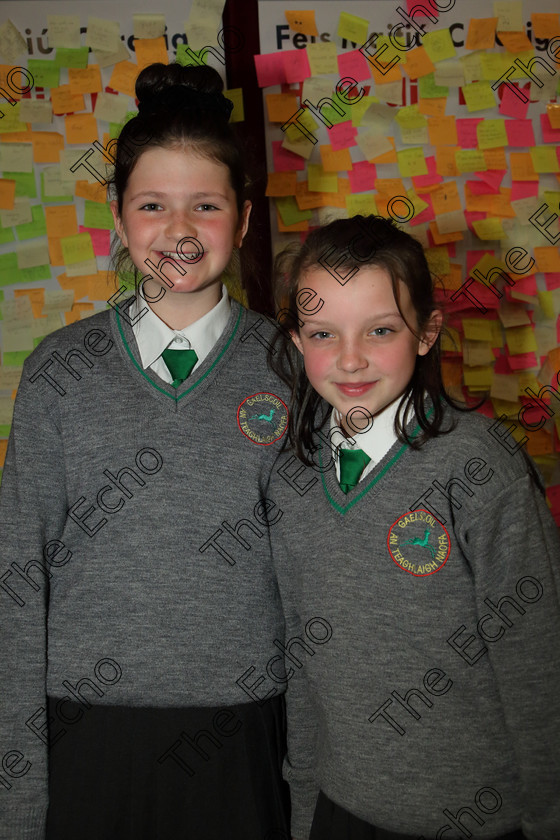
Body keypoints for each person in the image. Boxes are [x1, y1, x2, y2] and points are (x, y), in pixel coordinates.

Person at [0, 63, 291, 839]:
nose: (181, 230)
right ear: (119, 217)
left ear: (246, 215)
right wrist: (19, 796)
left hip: (245, 736)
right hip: (86, 738)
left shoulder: (295, 368)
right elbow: (16, 585)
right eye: (154, 205)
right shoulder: (59, 371)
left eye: (207, 205)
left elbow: (319, 580)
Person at [266, 215, 560, 840]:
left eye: (380, 330)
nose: (350, 359)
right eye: (323, 333)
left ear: (426, 333)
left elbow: (539, 666)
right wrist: (303, 807)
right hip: (340, 814)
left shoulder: (480, 468)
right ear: (296, 342)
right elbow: (302, 660)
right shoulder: (289, 479)